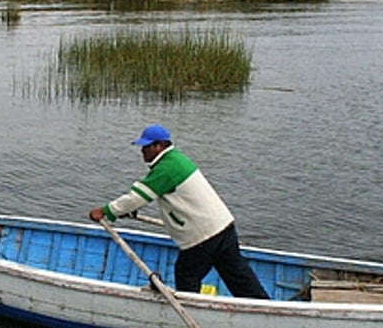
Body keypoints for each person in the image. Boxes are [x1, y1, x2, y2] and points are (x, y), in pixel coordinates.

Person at [89, 124, 269, 299]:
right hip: (224, 227)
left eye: (146, 147)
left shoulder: (166, 168)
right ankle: (263, 306)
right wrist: (126, 211)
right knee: (238, 276)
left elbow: (137, 197)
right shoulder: (176, 159)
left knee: (186, 274)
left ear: (159, 146)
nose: (142, 151)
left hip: (203, 235)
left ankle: (190, 313)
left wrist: (105, 211)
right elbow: (155, 194)